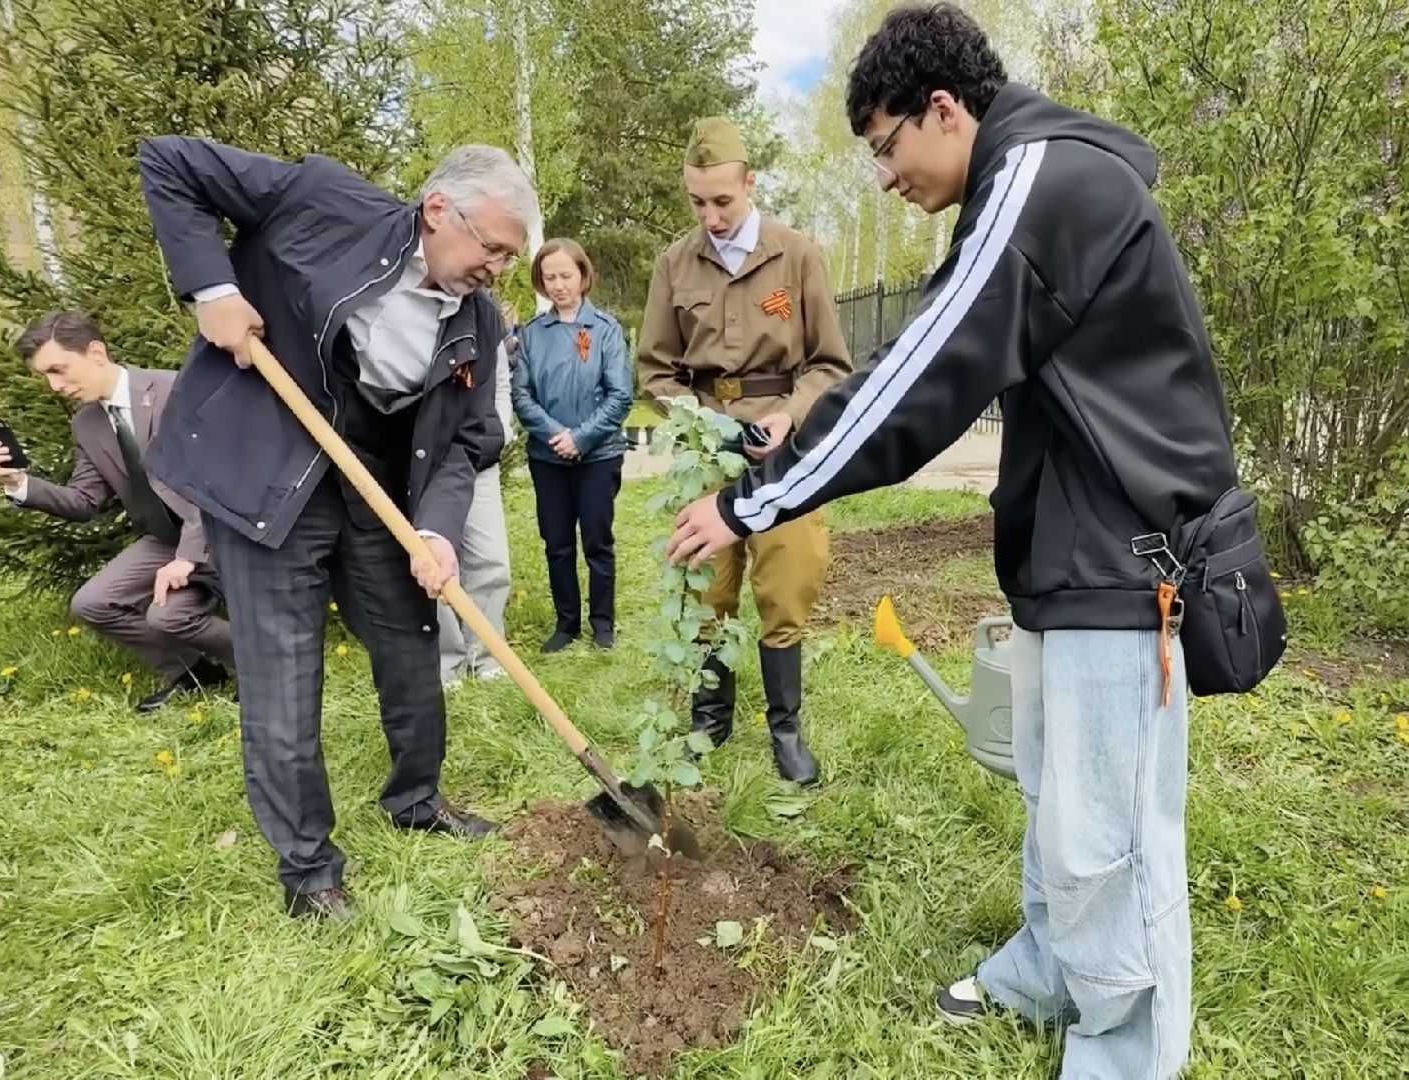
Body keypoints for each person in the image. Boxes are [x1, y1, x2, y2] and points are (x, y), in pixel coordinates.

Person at [667, 4, 1242, 1076]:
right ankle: (1047, 970)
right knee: (1056, 799)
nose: (883, 175)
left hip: (1127, 570)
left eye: (886, 147)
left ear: (945, 109)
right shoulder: (1030, 178)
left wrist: (755, 500)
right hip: (1070, 561)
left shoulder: (1034, 185)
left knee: (1109, 838)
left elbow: (918, 377)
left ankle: (1125, 1053)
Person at [137, 136, 539, 920]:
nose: (498, 267)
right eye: (492, 247)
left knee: (410, 642)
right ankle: (309, 872)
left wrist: (438, 532)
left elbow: (463, 442)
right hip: (269, 470)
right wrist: (211, 287)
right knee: (286, 670)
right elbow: (169, 161)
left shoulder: (480, 326)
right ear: (436, 212)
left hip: (372, 488)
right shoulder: (322, 201)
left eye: (509, 257)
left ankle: (417, 799)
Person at [638, 118, 853, 786]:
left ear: (749, 182)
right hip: (707, 449)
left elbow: (830, 364)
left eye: (722, 201)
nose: (711, 216)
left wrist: (789, 416)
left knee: (787, 583)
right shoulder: (675, 263)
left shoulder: (797, 255)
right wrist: (702, 422)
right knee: (708, 587)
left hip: (782, 447)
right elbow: (654, 372)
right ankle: (710, 718)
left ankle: (785, 729)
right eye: (698, 203)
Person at [0, 311, 233, 711]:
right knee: (92, 603)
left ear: (96, 352)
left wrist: (187, 557)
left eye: (59, 370)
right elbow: (84, 502)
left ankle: (263, 670)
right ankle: (196, 674)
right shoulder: (88, 424)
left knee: (167, 617)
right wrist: (16, 484)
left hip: (221, 528)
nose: (55, 385)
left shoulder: (175, 390)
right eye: (46, 376)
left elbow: (222, 478)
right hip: (164, 540)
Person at [511, 238, 632, 652]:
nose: (559, 284)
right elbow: (521, 394)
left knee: (598, 540)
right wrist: (555, 436)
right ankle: (567, 624)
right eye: (550, 277)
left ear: (582, 276)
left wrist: (581, 438)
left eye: (566, 275)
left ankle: (602, 624)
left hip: (598, 455)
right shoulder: (532, 335)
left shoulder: (606, 330)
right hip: (548, 459)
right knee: (557, 543)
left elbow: (620, 395)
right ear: (541, 282)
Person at [437, 331, 514, 687]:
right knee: (434, 568)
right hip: (429, 464)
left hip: (480, 460)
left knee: (492, 561)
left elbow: (499, 381)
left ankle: (486, 657)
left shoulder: (485, 321)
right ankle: (447, 662)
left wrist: (502, 427)